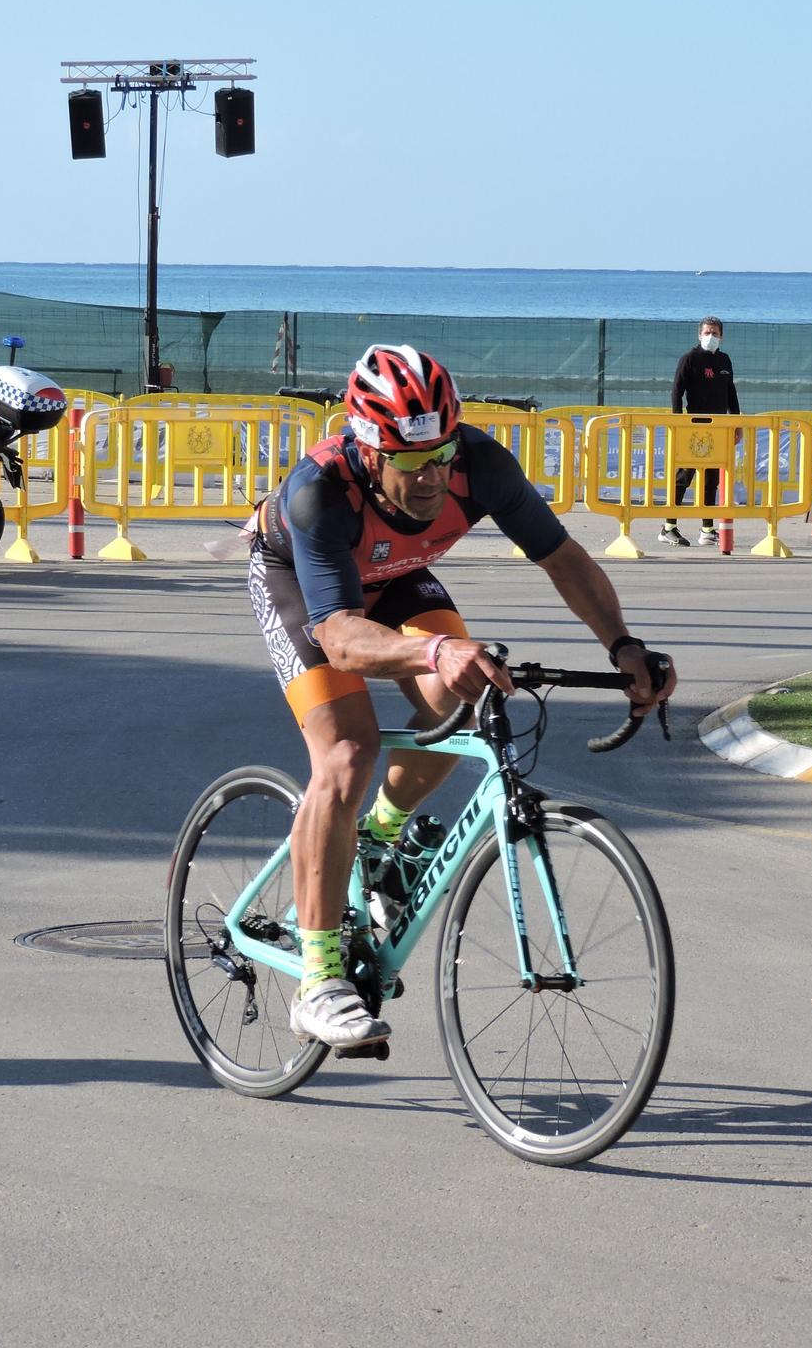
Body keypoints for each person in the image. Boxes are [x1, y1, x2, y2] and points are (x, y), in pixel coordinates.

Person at [248, 344, 678, 1048]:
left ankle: (377, 841)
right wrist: (434, 647)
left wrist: (623, 646)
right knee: (348, 753)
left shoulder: (481, 464)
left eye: (441, 456)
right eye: (411, 463)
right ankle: (319, 979)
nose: (432, 478)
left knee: (464, 700)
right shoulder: (318, 491)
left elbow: (564, 559)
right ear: (367, 449)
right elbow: (339, 638)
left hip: (395, 580)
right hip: (309, 592)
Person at [661, 316, 740, 546]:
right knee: (684, 477)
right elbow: (677, 390)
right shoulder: (690, 358)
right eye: (707, 332)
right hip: (693, 426)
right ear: (699, 334)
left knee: (711, 479)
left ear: (721, 336)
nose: (711, 337)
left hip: (719, 427)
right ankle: (669, 526)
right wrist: (678, 421)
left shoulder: (724, 360)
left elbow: (731, 393)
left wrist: (736, 423)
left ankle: (707, 529)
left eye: (715, 333)